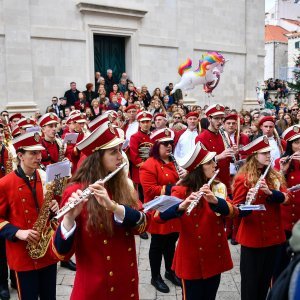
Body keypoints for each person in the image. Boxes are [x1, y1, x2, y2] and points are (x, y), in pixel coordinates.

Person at [52, 121, 149, 299]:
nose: (121, 157)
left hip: (126, 284)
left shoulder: (124, 184)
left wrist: (115, 208)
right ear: (97, 158)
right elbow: (62, 254)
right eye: (114, 152)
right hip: (95, 288)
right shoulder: (75, 191)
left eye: (120, 150)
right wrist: (68, 221)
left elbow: (142, 226)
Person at [153, 142, 239, 300]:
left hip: (214, 254)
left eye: (214, 161)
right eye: (210, 162)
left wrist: (215, 201)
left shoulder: (217, 187)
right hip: (191, 258)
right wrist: (180, 206)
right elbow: (157, 217)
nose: (215, 165)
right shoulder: (180, 191)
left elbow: (234, 212)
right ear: (199, 168)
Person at [0, 131, 59, 300]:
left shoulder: (44, 176)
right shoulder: (4, 184)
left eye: (39, 152)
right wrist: (18, 232)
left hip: (47, 251)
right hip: (22, 254)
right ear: (20, 155)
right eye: (33, 153)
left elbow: (47, 208)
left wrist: (54, 206)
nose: (39, 157)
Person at [232, 135, 289, 300]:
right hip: (252, 237)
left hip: (274, 236)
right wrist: (248, 203)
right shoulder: (243, 178)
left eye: (269, 152)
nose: (268, 156)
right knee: (251, 284)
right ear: (254, 155)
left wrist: (271, 193)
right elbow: (236, 209)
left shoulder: (274, 176)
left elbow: (286, 199)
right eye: (264, 153)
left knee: (265, 282)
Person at [140, 128, 182, 293]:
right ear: (156, 146)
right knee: (157, 244)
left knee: (172, 241)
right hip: (158, 210)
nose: (169, 147)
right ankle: (155, 276)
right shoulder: (149, 165)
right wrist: (175, 187)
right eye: (165, 144)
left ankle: (170, 271)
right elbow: (149, 190)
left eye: (170, 143)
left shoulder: (172, 161)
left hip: (173, 207)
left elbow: (178, 179)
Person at [273, 125, 300, 280]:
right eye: (296, 142)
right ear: (289, 145)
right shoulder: (280, 161)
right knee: (279, 264)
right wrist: (282, 170)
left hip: (299, 221)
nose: (299, 146)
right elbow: (274, 188)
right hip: (284, 220)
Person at [195, 104, 235, 196]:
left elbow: (230, 159)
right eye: (216, 118)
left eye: (222, 118)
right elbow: (201, 162)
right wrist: (220, 156)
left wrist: (234, 153)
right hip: (211, 184)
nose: (220, 121)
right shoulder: (201, 138)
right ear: (209, 119)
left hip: (226, 181)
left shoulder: (224, 134)